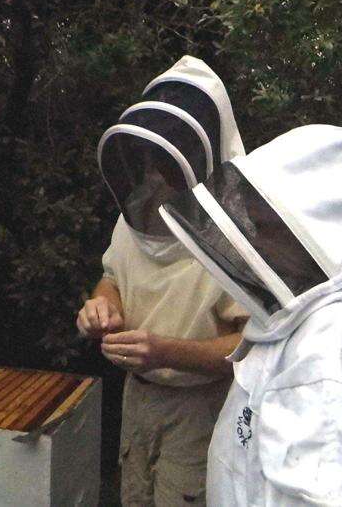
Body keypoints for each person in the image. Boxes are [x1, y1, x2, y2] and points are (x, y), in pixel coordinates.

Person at [159, 124, 342, 505]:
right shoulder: (318, 314)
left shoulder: (328, 354)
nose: (257, 241)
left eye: (270, 228)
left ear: (318, 230)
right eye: (255, 224)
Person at [77, 55, 249, 506]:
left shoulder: (237, 236)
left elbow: (252, 348)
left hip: (201, 408)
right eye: (152, 156)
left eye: (169, 159)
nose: (156, 171)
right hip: (137, 398)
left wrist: (166, 352)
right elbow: (113, 277)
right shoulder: (137, 210)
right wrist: (102, 306)